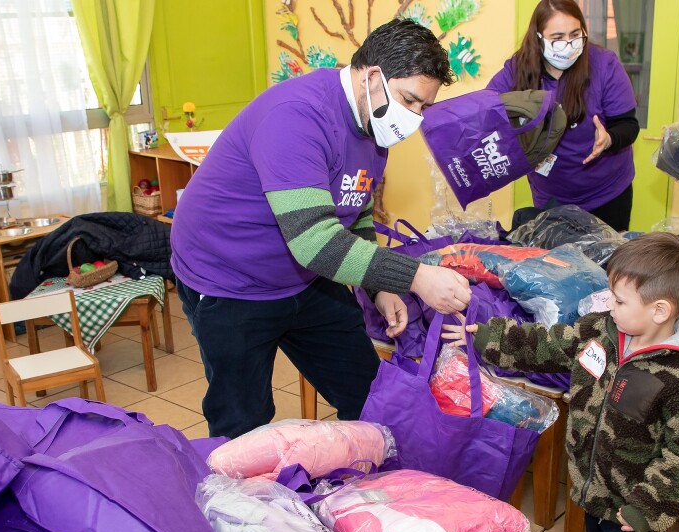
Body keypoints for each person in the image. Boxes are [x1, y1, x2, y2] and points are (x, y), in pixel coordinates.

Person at [170, 19, 472, 439]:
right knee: (243, 420)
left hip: (304, 277)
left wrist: (379, 289)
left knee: (367, 393)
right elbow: (315, 241)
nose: (414, 118)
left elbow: (355, 210)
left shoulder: (374, 123)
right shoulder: (296, 117)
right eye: (409, 101)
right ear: (371, 77)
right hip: (229, 278)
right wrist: (415, 278)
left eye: (423, 107)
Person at [444, 232, 679, 532]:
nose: (610, 305)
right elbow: (548, 344)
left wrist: (647, 509)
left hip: (632, 513)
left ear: (660, 311)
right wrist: (488, 338)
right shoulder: (600, 332)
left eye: (619, 301)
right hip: (591, 494)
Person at [486, 0, 640, 232]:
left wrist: (609, 139)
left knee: (606, 264)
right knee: (558, 265)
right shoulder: (518, 69)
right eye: (557, 38)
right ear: (538, 37)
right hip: (551, 197)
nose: (568, 45)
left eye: (575, 34)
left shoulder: (604, 64)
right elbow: (486, 111)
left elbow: (628, 125)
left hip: (608, 193)